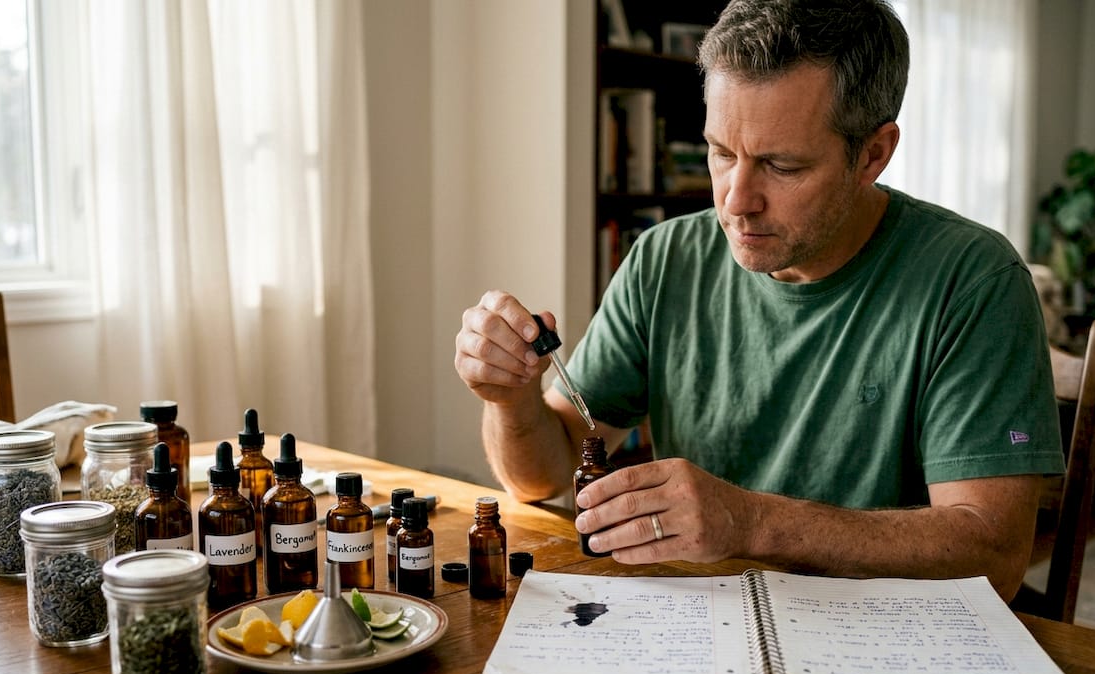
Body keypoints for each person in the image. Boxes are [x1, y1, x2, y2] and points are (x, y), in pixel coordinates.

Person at [453, 0, 1063, 601]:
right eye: (723, 153)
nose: (736, 200)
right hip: (703, 630)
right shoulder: (665, 259)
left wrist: (749, 522)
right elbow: (545, 475)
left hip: (891, 647)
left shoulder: (974, 279)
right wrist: (511, 400)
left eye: (781, 165)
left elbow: (994, 556)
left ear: (873, 154)